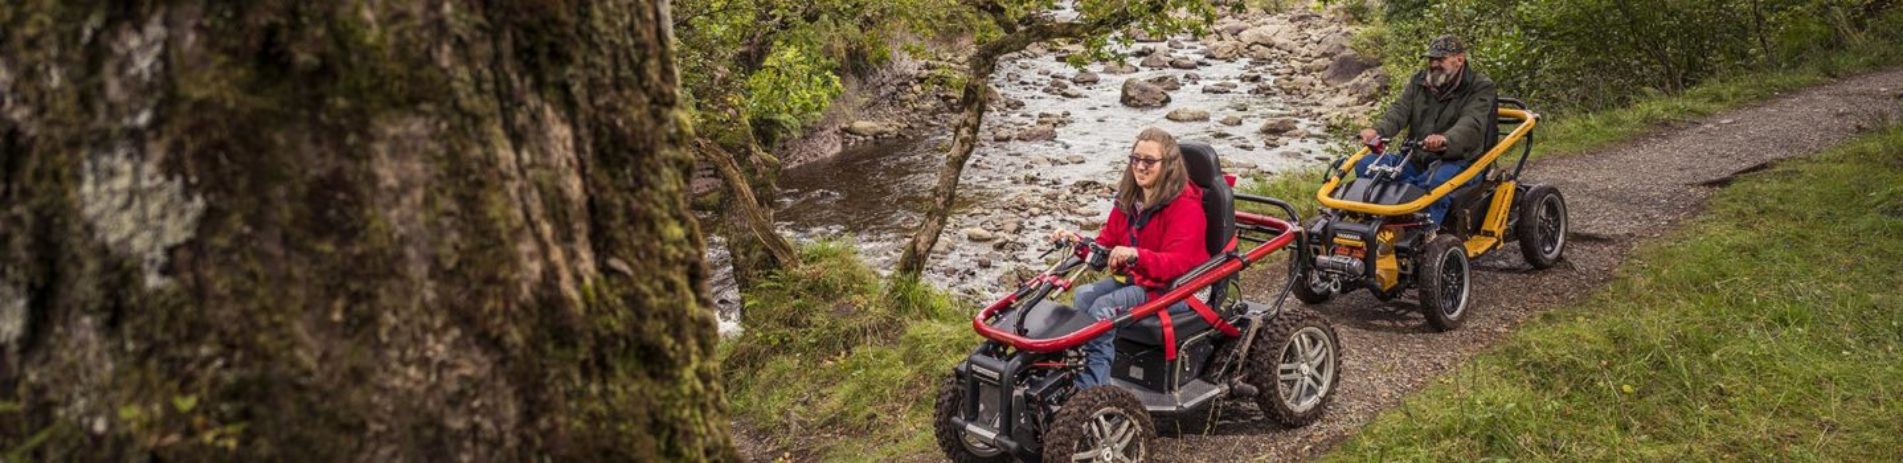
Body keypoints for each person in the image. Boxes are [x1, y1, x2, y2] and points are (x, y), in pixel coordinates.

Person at [1049, 127, 1210, 389]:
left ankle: (1092, 391)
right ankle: (1079, 371)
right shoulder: (1129, 202)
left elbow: (1177, 264)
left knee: (1104, 308)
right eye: (1135, 159)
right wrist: (1077, 242)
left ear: (1168, 165)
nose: (1140, 167)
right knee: (1083, 296)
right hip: (1144, 280)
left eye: (1149, 161)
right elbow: (1104, 246)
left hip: (1180, 288)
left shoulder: (1186, 208)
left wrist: (1136, 255)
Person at [1356, 34, 1497, 227]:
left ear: (1460, 59)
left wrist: (1445, 139)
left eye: (1440, 59)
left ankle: (1426, 238)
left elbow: (1472, 123)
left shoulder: (1480, 86)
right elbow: (1400, 110)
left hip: (1459, 162)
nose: (1434, 64)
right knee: (1366, 165)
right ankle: (1377, 223)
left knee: (1430, 187)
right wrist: (1377, 131)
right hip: (1415, 158)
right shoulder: (1420, 81)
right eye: (1431, 59)